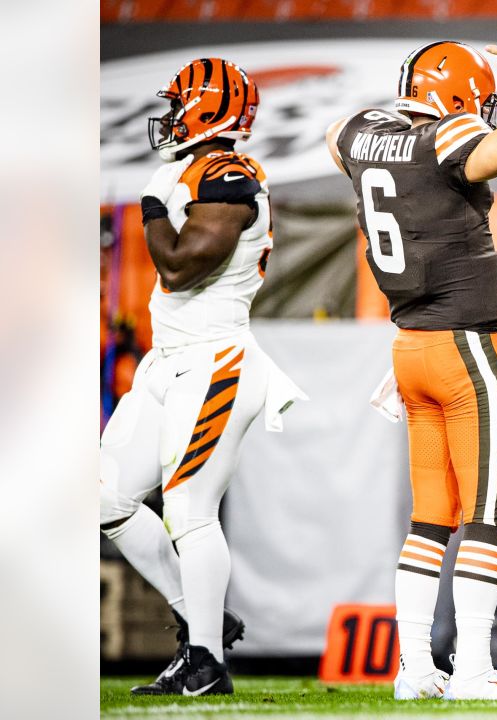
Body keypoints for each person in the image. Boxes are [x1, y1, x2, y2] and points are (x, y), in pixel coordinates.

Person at [325, 22, 497, 701]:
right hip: (465, 350)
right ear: (453, 101)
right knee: (484, 512)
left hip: (409, 352)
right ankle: (475, 672)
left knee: (429, 519)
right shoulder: (445, 138)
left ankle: (413, 669)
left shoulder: (363, 135)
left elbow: (335, 135)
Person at [99, 58, 305, 696]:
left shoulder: (228, 174)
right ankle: (202, 616)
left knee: (189, 508)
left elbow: (181, 267)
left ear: (207, 109)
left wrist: (154, 207)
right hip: (170, 360)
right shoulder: (192, 170)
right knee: (107, 500)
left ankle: (207, 660)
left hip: (216, 359)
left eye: (181, 102)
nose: (170, 115)